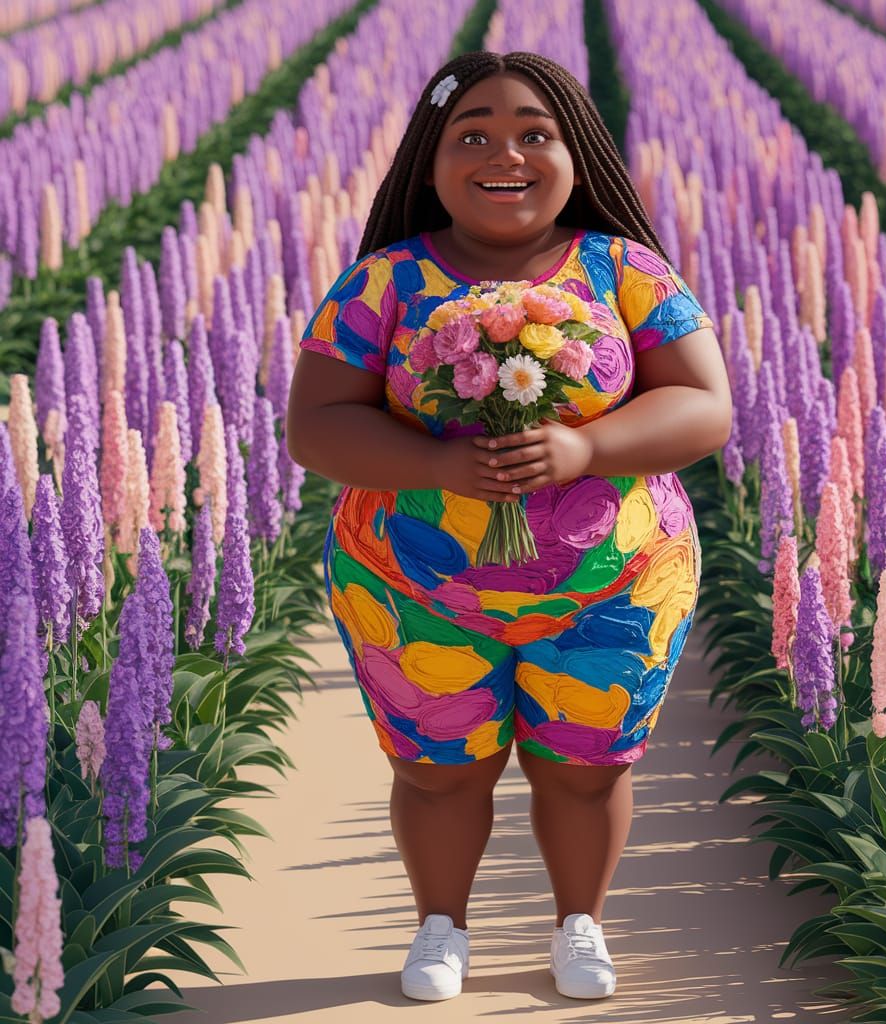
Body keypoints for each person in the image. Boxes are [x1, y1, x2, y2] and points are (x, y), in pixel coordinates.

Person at [286, 50, 732, 1003]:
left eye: (536, 133)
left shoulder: (628, 272)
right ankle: (440, 927)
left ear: (579, 152)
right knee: (439, 771)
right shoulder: (384, 283)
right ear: (431, 158)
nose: (507, 154)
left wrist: (584, 450)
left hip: (615, 585)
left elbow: (703, 404)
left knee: (585, 768)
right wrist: (440, 465)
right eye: (474, 135)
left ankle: (580, 925)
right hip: (413, 588)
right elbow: (315, 425)